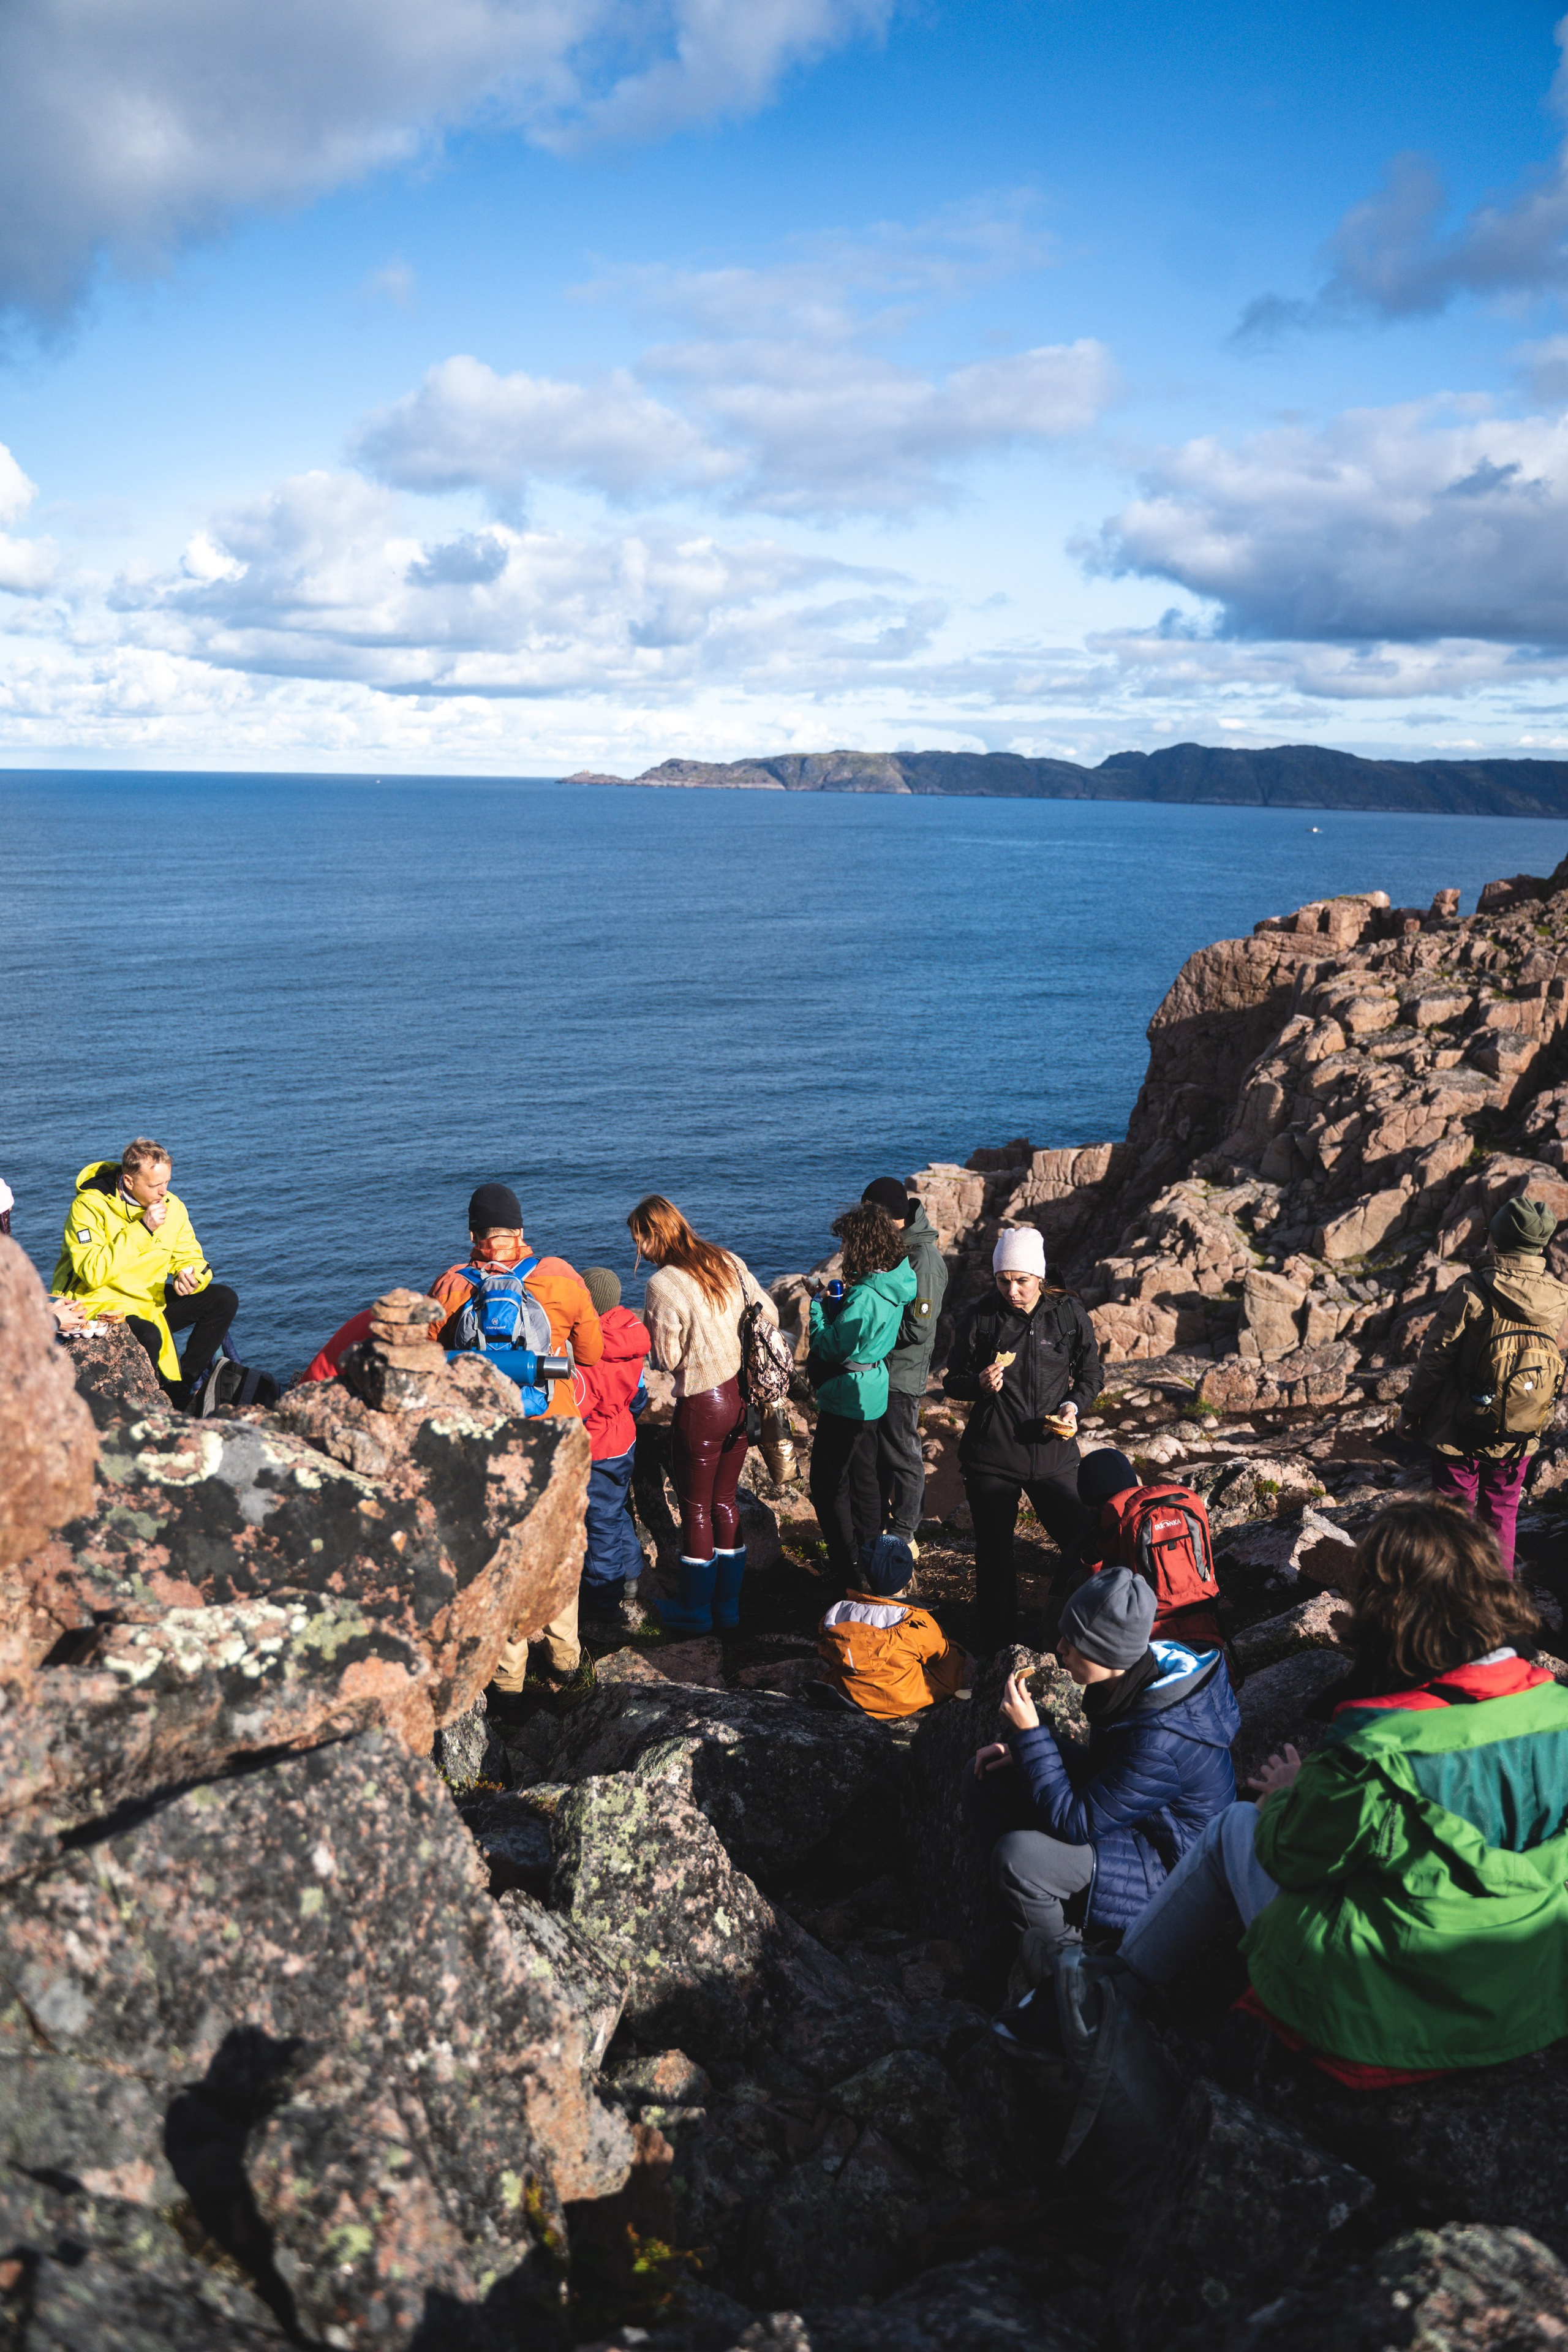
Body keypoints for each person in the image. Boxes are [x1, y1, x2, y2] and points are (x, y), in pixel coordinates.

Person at [1095, 1500, 1568, 2082]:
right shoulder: (1557, 1711)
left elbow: (1293, 1857)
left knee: (1235, 1827)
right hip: (1525, 1982)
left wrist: (1283, 1797)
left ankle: (1117, 1987)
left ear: (1386, 1610)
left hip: (1391, 2009)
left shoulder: (1376, 1747)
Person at [967, 1567, 1240, 1967]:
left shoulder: (1162, 1739)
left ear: (1107, 1653)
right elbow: (1109, 1777)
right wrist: (1026, 1750)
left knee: (1018, 1858)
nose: (1059, 1648)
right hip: (1137, 1830)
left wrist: (1031, 1736)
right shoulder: (1133, 1685)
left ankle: (1070, 1967)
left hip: (1176, 1875)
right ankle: (1022, 1911)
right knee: (990, 1777)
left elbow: (1075, 1822)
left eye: (1073, 1642)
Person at [431, 1183, 604, 1702]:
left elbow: (425, 1361)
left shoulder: (451, 1286)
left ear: (473, 1235)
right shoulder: (562, 1277)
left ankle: (508, 1680)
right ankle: (566, 1660)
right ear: (521, 1231)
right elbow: (591, 1354)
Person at [942, 1226, 1102, 1653]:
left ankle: (1075, 1634)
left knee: (1084, 1545)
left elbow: (1091, 1375)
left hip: (1054, 1455)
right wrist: (978, 1384)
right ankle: (998, 1651)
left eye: (1021, 1280)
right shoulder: (981, 1317)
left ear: (1039, 1276)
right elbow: (952, 1380)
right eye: (1002, 1280)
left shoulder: (1068, 1314)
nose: (1011, 1291)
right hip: (992, 1458)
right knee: (996, 1557)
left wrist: (1072, 1407)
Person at [1395, 1194, 1568, 1577]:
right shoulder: (1559, 1297)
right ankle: (1495, 1593)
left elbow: (1435, 1359)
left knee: (1453, 1513)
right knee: (1502, 1511)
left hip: (1461, 1426)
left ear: (1495, 1240)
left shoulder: (1471, 1289)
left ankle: (1451, 1593)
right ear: (1540, 1248)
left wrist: (1412, 1411)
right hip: (1521, 1428)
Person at [630, 1194, 779, 1635]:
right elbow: (769, 1313)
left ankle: (695, 1610)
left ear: (656, 1233)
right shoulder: (726, 1260)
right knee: (725, 1502)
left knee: (695, 1509)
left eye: (640, 1239)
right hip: (744, 1399)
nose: (639, 1249)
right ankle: (727, 1609)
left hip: (703, 1405)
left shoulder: (664, 1284)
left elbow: (666, 1358)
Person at [51, 1141, 238, 1408]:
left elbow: (190, 1256)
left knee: (223, 1299)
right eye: (155, 1185)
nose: (164, 1192)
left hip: (147, 1300)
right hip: (97, 1302)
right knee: (149, 1334)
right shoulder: (89, 1206)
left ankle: (184, 1384)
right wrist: (143, 1229)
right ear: (129, 1182)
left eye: (167, 1182)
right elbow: (93, 1272)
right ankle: (158, 1398)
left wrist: (190, 1276)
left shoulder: (172, 1207)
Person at [807, 1204, 918, 1588]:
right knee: (865, 1479)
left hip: (846, 1396)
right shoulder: (895, 1282)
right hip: (873, 1389)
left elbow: (830, 1347)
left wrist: (818, 1310)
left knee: (829, 1484)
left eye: (846, 1242)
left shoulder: (867, 1297)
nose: (842, 1249)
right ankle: (874, 1559)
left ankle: (848, 1565)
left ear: (862, 1244)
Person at [1077, 1446, 1229, 1661]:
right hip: (1204, 1618)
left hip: (1149, 1631)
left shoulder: (1107, 1524)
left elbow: (1099, 1583)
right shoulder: (1171, 1503)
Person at [861, 1175, 949, 1548]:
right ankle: (879, 1523)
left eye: (867, 1214)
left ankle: (904, 1533)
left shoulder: (923, 1261)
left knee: (903, 1454)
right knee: (880, 1455)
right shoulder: (896, 1248)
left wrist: (871, 1327)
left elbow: (919, 1328)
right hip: (882, 1370)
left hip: (901, 1374)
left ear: (884, 1215)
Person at [573, 1267, 654, 1643]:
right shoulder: (629, 1334)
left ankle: (603, 1599)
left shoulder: (590, 1349)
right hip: (624, 1438)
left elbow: (580, 1406)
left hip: (598, 1445)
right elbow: (639, 1397)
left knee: (599, 1522)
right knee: (616, 1508)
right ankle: (632, 1576)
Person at [817, 1532, 972, 1720]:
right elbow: (938, 1653)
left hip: (849, 1694)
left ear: (865, 1573)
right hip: (901, 1701)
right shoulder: (914, 1621)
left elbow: (826, 1652)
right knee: (952, 1658)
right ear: (908, 1579)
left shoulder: (839, 1613)